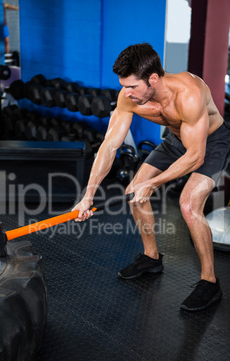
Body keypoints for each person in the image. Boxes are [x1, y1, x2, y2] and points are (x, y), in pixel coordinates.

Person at [72, 43, 230, 312]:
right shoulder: (128, 98)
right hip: (175, 141)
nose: (126, 92)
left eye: (132, 86)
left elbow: (195, 156)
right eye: (124, 85)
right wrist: (87, 196)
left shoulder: (189, 94)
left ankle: (209, 282)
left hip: (210, 143)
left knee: (189, 206)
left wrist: (154, 183)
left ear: (153, 79)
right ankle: (151, 257)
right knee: (134, 194)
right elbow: (110, 146)